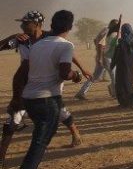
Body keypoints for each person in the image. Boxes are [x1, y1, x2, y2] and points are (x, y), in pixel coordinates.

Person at [0, 11, 88, 168]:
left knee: (58, 110)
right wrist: (11, 37)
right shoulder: (20, 40)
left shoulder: (50, 37)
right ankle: (2, 155)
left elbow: (68, 54)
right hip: (28, 81)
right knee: (14, 118)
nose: (22, 26)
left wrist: (82, 68)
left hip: (49, 82)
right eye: (22, 23)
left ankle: (75, 134)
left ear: (38, 24)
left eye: (26, 23)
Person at [75, 19, 118, 100]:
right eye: (117, 25)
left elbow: (96, 41)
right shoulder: (108, 31)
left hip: (103, 56)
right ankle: (115, 93)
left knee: (95, 76)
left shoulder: (106, 30)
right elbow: (100, 44)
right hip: (105, 57)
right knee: (113, 75)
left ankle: (81, 92)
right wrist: (100, 56)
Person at [112, 23, 133, 108]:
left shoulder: (121, 43)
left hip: (122, 66)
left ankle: (126, 103)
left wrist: (113, 64)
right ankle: (131, 102)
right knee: (129, 83)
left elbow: (116, 56)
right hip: (130, 65)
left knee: (121, 84)